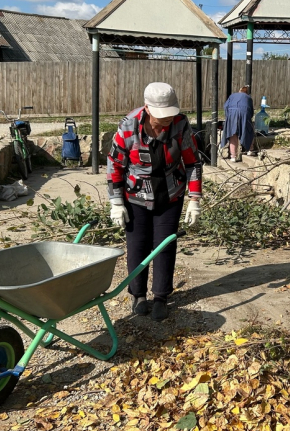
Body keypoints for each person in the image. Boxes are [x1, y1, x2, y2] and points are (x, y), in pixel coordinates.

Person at [107, 82, 203, 322]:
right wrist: (116, 202)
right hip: (135, 197)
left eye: (170, 114)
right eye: (162, 116)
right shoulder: (128, 126)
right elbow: (115, 165)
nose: (167, 120)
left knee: (164, 246)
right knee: (137, 245)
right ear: (147, 108)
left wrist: (194, 199)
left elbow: (193, 162)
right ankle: (138, 295)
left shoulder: (180, 124)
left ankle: (161, 296)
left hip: (170, 194)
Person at [222, 85, 255, 162]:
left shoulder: (232, 95)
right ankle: (250, 150)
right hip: (244, 113)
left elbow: (225, 106)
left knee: (233, 134)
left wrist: (228, 118)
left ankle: (233, 156)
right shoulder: (248, 98)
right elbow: (251, 112)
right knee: (248, 130)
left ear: (239, 91)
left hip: (232, 113)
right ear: (246, 92)